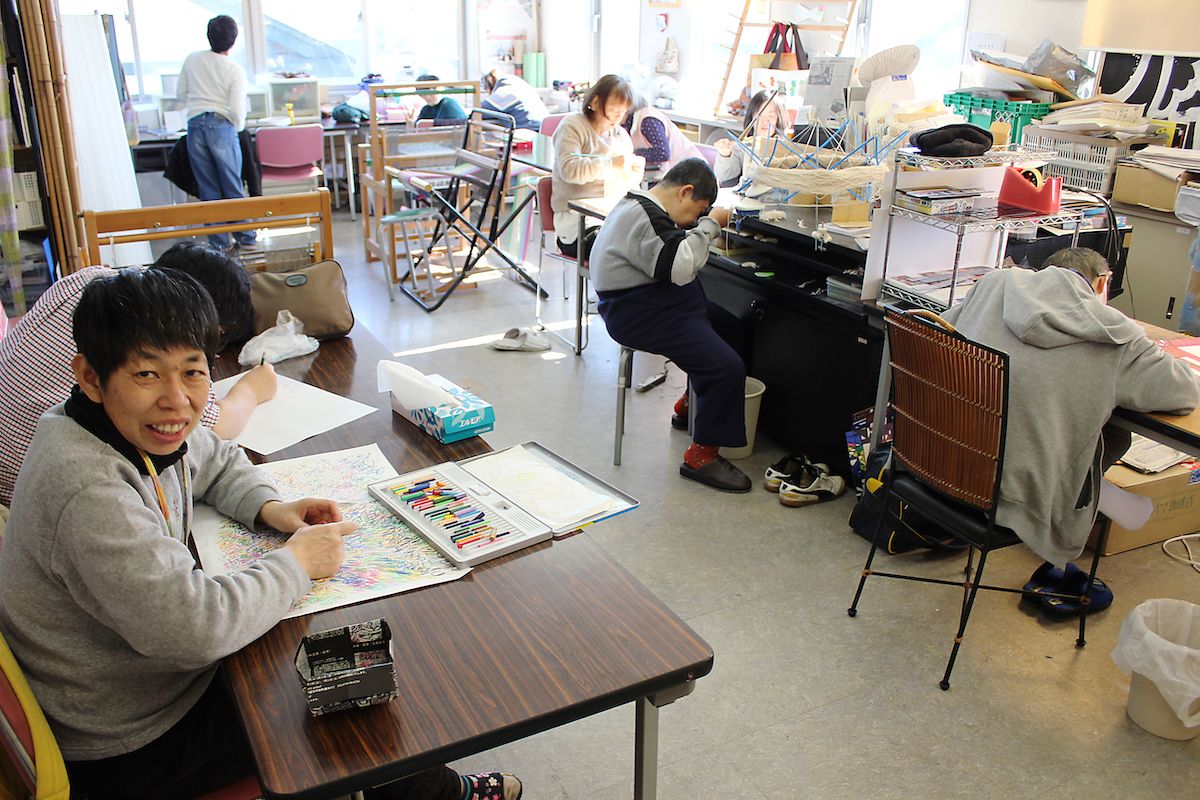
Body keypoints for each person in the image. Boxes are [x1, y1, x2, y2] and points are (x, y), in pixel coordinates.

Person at [0, 268, 521, 800]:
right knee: (348, 681)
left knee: (325, 649)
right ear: (90, 377)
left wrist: (272, 508)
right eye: (146, 375)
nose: (178, 402)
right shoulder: (87, 486)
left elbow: (216, 457)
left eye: (193, 372)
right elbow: (194, 628)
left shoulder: (125, 426)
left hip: (147, 683)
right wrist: (297, 562)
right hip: (133, 742)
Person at [940, 248, 1200, 568]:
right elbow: (1184, 391)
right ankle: (1107, 511)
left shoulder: (994, 284)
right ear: (1103, 283)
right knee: (1113, 434)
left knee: (1111, 434)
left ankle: (1118, 505)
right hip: (1015, 496)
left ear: (1042, 271)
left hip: (944, 459)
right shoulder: (1115, 334)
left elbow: (938, 329)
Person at [0, 242, 276, 509]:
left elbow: (210, 455)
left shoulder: (89, 280)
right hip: (27, 493)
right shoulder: (96, 493)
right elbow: (215, 428)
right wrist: (251, 389)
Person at [589, 157, 753, 493]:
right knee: (727, 367)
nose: (694, 219)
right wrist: (711, 225)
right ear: (686, 192)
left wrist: (698, 228)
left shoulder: (639, 204)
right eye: (698, 209)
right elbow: (680, 268)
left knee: (732, 329)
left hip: (654, 303)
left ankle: (691, 403)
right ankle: (701, 456)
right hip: (639, 313)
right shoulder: (646, 218)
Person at [176, 15, 255, 250]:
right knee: (232, 184)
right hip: (222, 125)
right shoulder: (234, 69)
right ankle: (246, 237)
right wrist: (237, 129)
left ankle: (219, 243)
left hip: (195, 124)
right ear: (233, 41)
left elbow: (181, 94)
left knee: (208, 187)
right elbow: (237, 108)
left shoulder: (192, 59)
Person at [550, 73, 643, 258]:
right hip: (576, 223)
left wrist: (634, 171)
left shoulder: (620, 136)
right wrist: (611, 164)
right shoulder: (572, 126)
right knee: (623, 251)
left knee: (647, 245)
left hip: (611, 216)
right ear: (595, 102)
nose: (618, 116)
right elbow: (570, 169)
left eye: (624, 111)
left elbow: (629, 185)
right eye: (614, 108)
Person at [713, 90, 791, 187]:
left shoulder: (786, 150)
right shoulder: (741, 148)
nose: (764, 122)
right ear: (751, 118)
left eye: (770, 116)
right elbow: (724, 177)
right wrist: (725, 154)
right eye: (759, 116)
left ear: (778, 119)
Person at [625, 94, 703, 175]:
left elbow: (662, 153)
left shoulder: (648, 120)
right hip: (670, 170)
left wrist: (632, 154)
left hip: (689, 171)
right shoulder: (625, 124)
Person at [480, 69, 548, 131]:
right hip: (543, 128)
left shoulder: (503, 92)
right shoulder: (521, 86)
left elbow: (480, 111)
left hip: (528, 131)